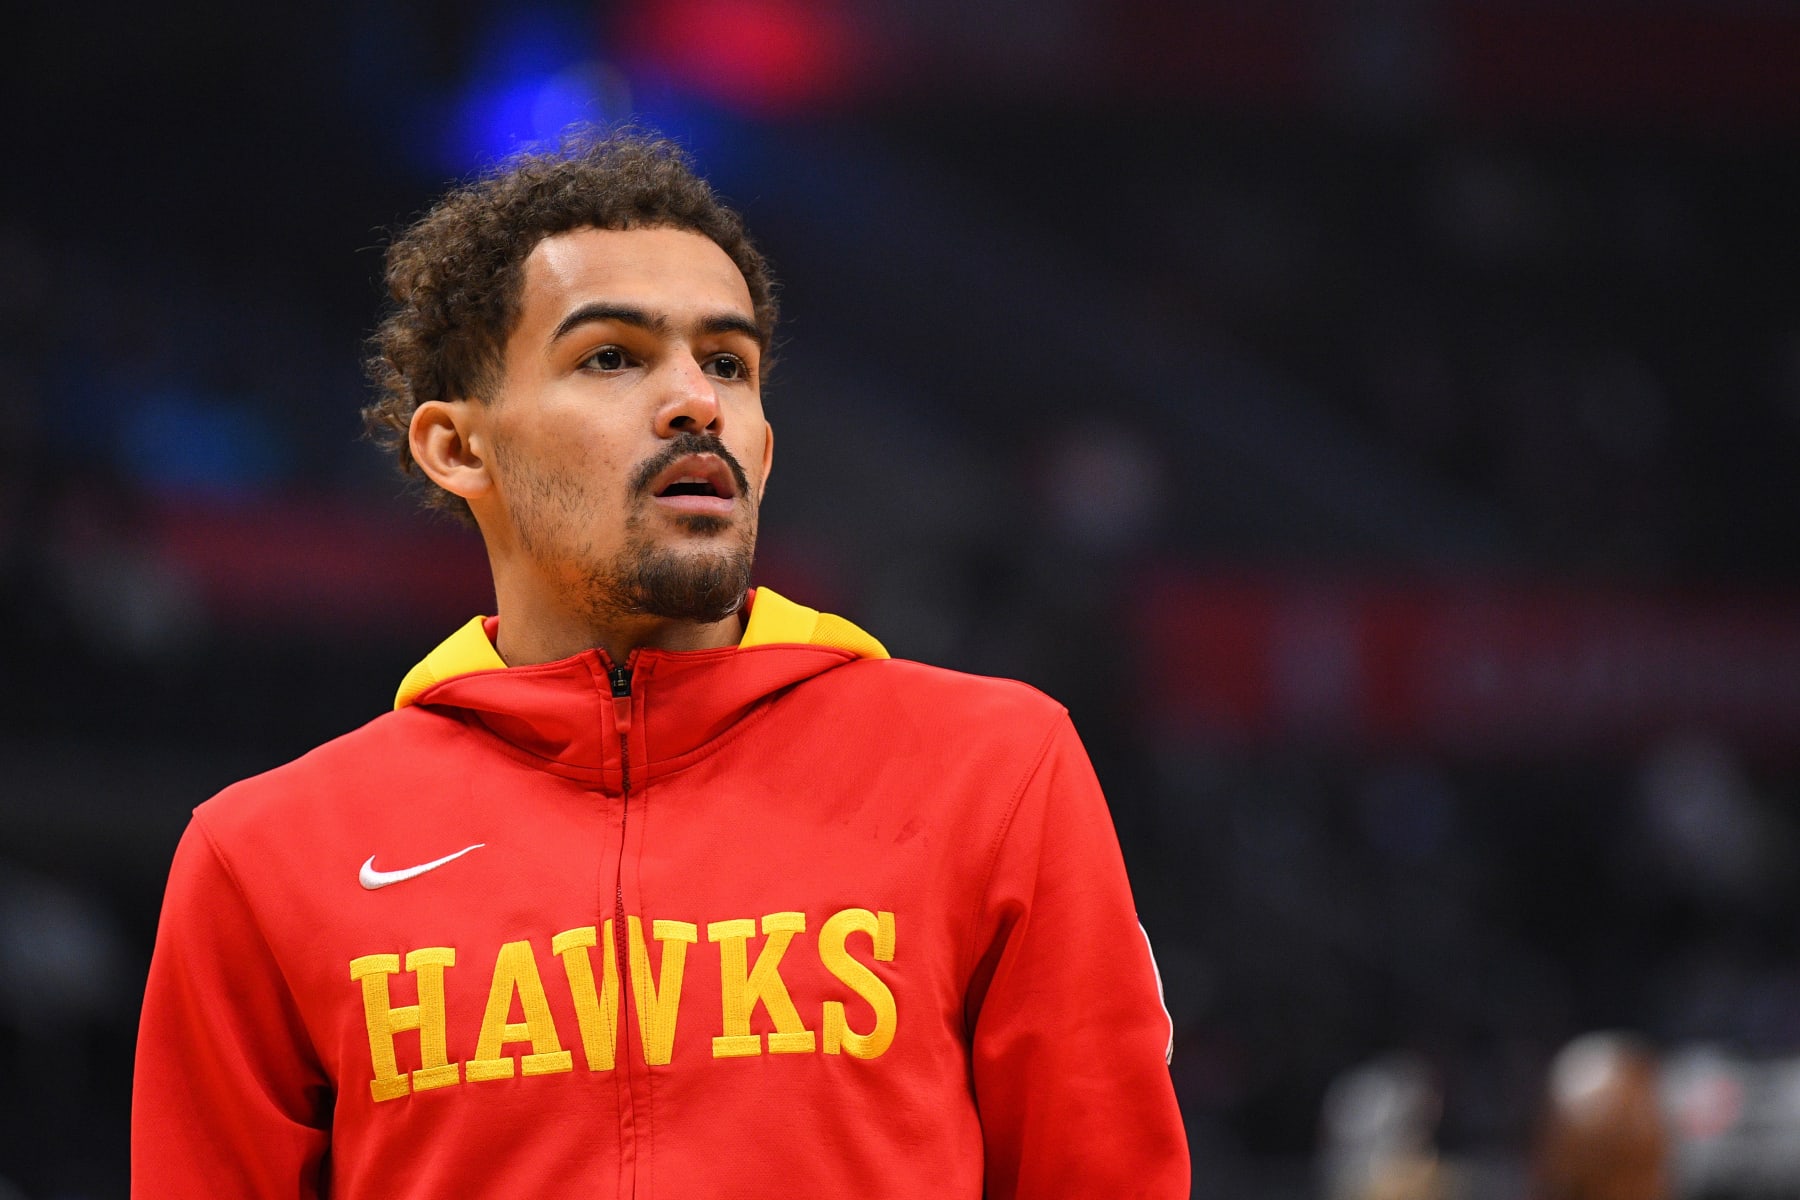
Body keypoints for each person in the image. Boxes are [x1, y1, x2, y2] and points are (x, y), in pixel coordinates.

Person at [131, 128, 1189, 1199]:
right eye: (612, 357)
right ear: (458, 447)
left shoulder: (994, 772)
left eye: (729, 363)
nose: (697, 400)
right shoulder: (264, 859)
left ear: (767, 446)